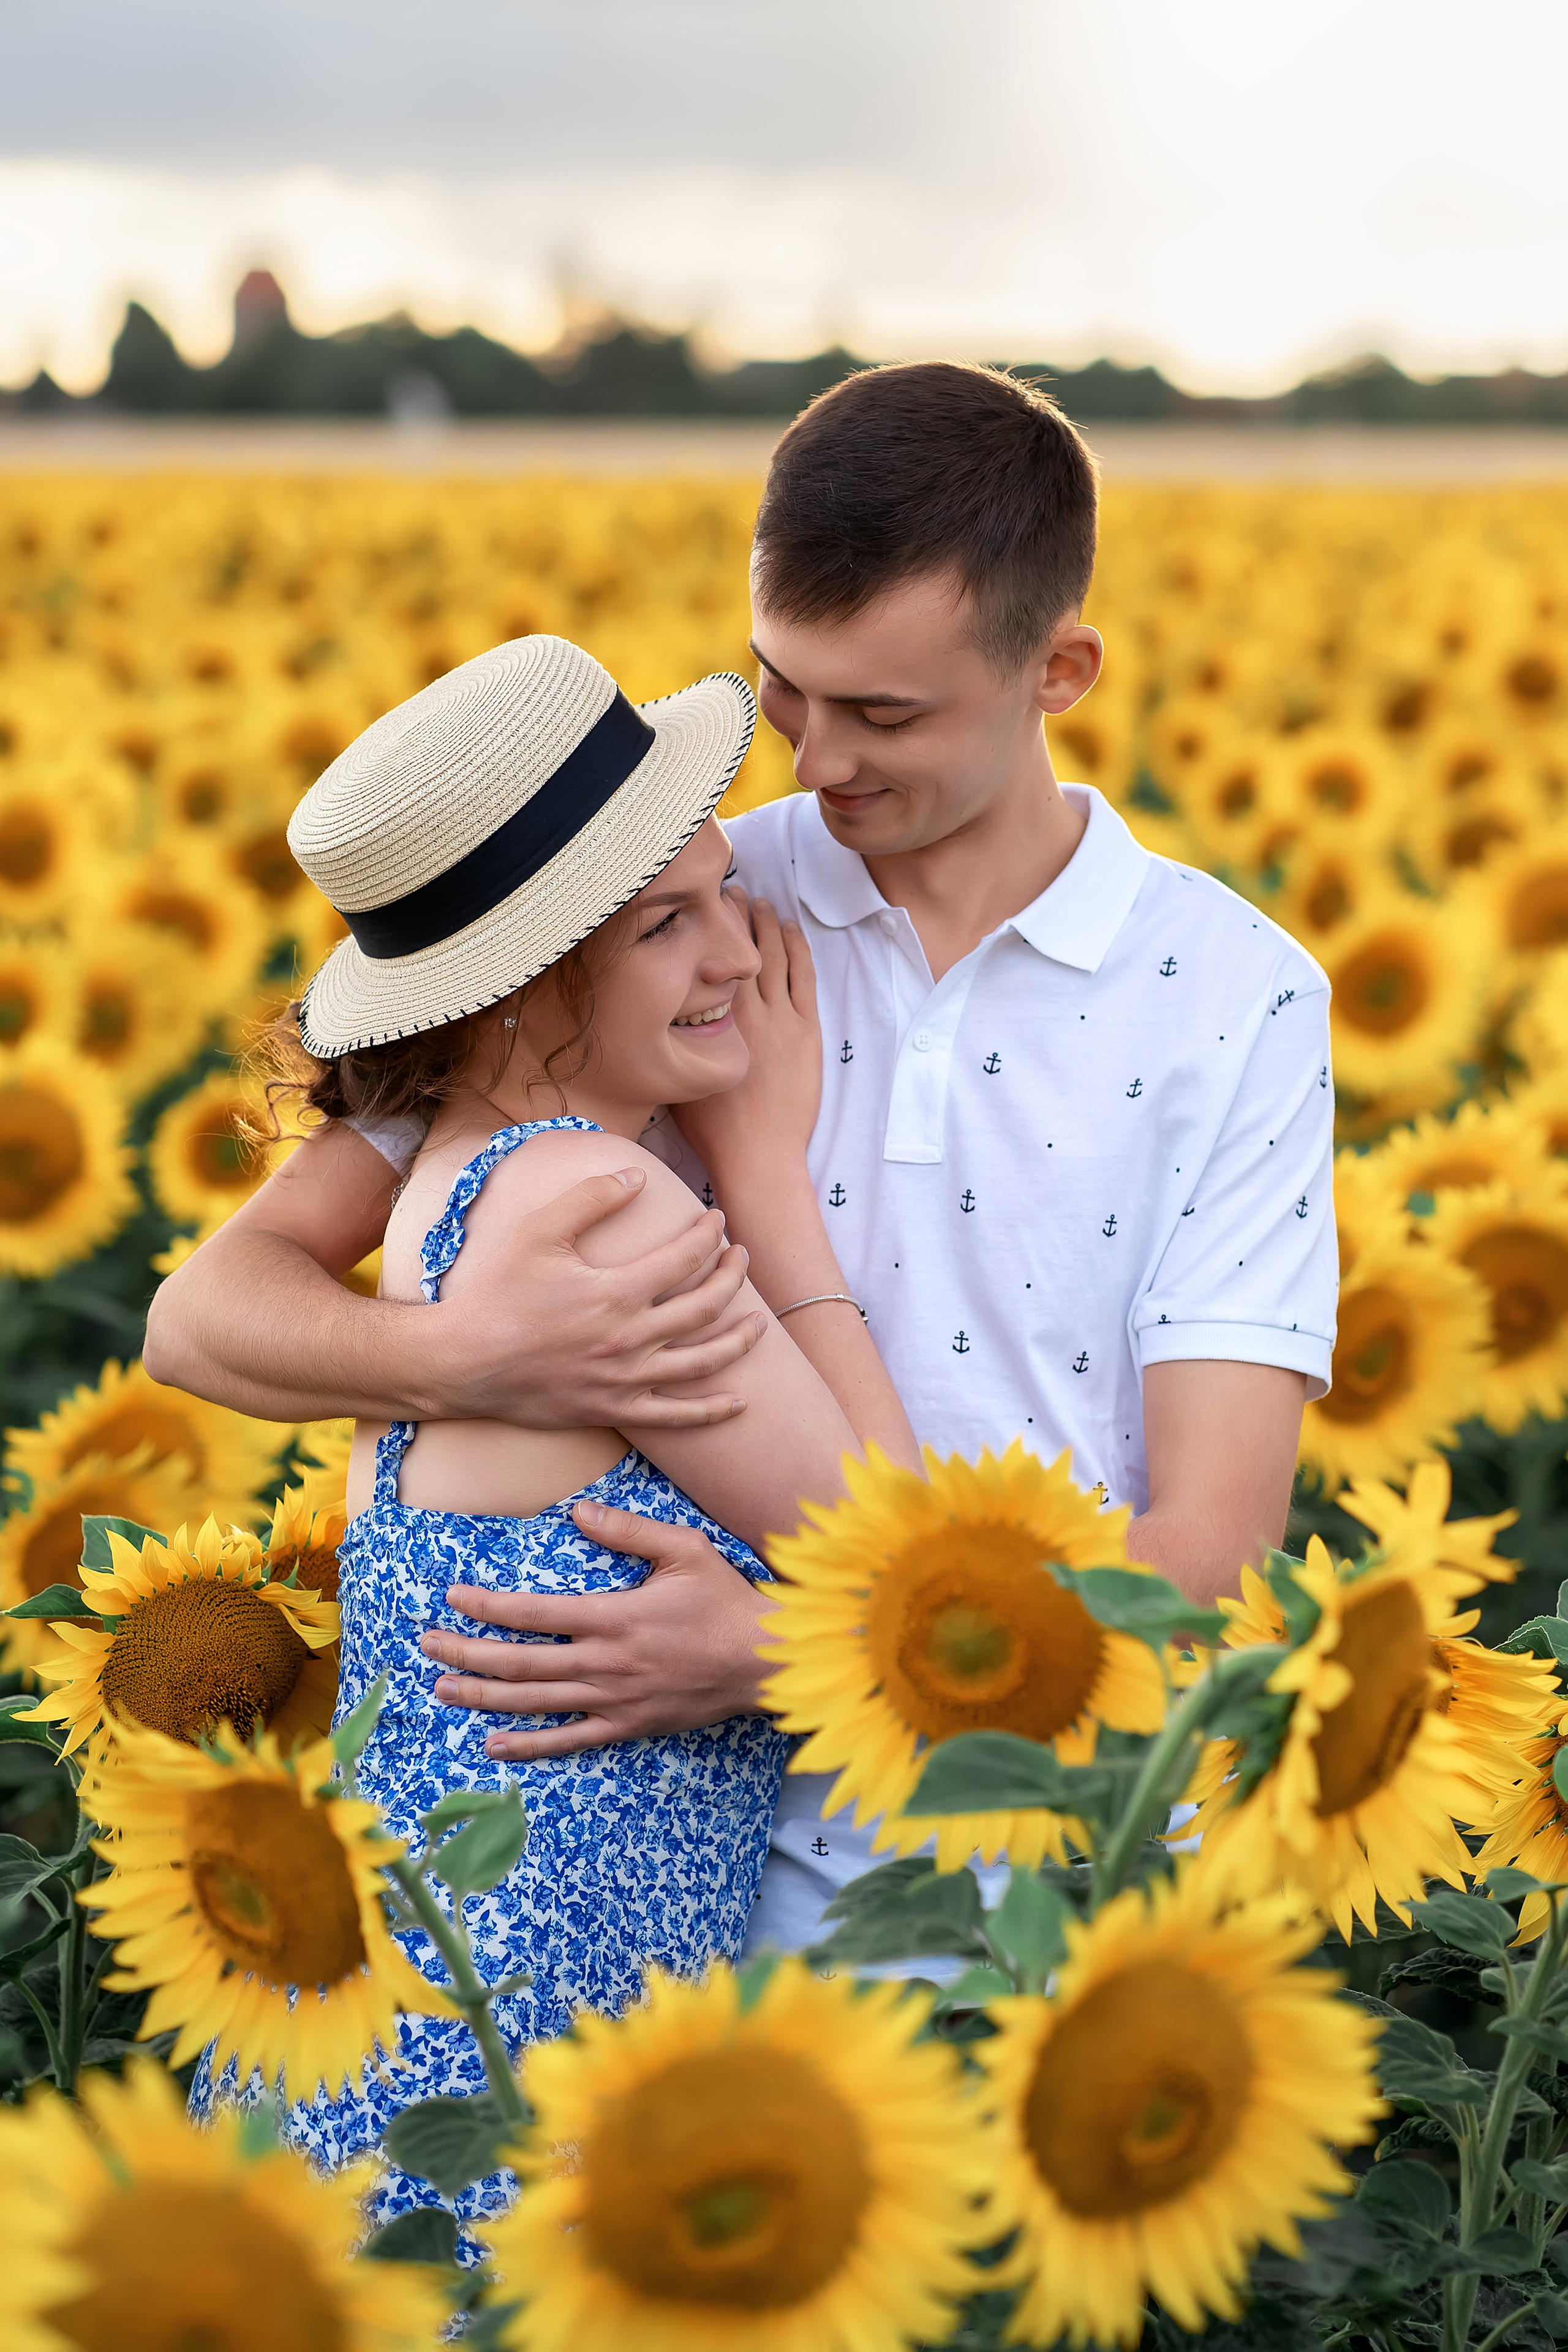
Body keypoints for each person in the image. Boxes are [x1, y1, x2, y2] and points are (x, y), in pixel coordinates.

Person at [147, 361, 1336, 1959]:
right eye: (783, 691)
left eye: (885, 713)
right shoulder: (669, 907)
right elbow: (207, 1311)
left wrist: (800, 1650)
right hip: (717, 1908)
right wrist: (468, 1351)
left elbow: (1208, 1553)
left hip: (1080, 1889)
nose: (815, 764)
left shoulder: (1231, 993)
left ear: (1061, 669)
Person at [187, 630, 919, 2233]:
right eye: (669, 924)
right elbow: (900, 1566)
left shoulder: (455, 1169)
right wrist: (772, 1176)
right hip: (512, 2045)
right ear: (520, 987)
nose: (739, 954)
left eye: (723, 892)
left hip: (383, 2004)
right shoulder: (601, 1209)